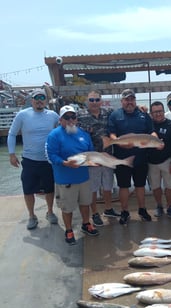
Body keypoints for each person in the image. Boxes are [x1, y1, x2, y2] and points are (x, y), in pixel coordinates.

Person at [45, 105, 98, 245]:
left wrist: (95, 162)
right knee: (67, 207)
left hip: (84, 178)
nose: (70, 120)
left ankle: (86, 224)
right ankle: (68, 230)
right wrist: (64, 163)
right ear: (60, 120)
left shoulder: (84, 134)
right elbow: (51, 156)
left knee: (85, 203)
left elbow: (90, 152)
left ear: (76, 119)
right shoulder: (54, 135)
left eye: (73, 117)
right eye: (66, 117)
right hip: (65, 179)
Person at [7, 88, 59, 230]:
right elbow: (12, 134)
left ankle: (50, 211)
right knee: (28, 190)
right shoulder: (22, 115)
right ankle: (31, 215)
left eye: (42, 98)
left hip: (48, 160)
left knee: (49, 188)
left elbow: (60, 133)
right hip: (29, 160)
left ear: (46, 101)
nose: (39, 101)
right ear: (32, 100)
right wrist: (12, 154)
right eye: (36, 98)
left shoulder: (53, 115)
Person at [108, 89, 156, 225]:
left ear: (135, 100)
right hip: (122, 158)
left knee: (140, 185)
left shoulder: (143, 114)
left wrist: (156, 139)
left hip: (141, 158)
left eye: (132, 99)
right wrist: (116, 141)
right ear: (122, 101)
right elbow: (111, 133)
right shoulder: (114, 115)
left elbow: (151, 130)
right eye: (126, 99)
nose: (129, 102)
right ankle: (124, 211)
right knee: (123, 186)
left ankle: (142, 209)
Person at [77, 90, 120, 227]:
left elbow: (123, 112)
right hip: (91, 158)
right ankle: (95, 213)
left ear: (101, 101)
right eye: (91, 100)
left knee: (108, 186)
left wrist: (141, 108)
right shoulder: (80, 115)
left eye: (97, 100)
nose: (94, 103)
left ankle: (108, 209)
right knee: (93, 189)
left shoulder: (108, 113)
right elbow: (68, 126)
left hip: (107, 156)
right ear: (87, 101)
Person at [148, 101, 171, 219]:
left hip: (167, 160)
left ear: (164, 111)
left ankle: (170, 207)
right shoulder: (148, 125)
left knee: (169, 186)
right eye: (155, 112)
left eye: (160, 111)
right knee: (155, 186)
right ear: (151, 113)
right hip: (151, 162)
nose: (158, 114)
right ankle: (159, 206)